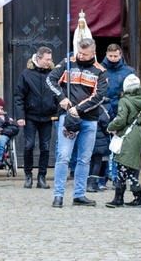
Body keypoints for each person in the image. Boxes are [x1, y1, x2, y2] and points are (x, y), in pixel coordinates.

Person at [47, 37, 108, 208]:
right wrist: (62, 97)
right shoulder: (67, 63)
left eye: (85, 54)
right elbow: (50, 80)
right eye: (79, 52)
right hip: (68, 119)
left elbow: (99, 96)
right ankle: (58, 195)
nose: (80, 56)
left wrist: (78, 108)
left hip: (89, 120)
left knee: (84, 158)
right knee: (63, 156)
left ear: (93, 54)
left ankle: (79, 194)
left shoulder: (100, 71)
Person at [13, 46, 57, 189]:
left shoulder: (53, 74)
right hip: (30, 116)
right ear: (38, 59)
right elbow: (19, 96)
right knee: (28, 145)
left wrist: (57, 112)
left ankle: (42, 177)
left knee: (45, 147)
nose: (49, 62)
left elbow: (59, 93)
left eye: (50, 59)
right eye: (47, 59)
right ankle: (28, 175)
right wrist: (20, 115)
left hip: (48, 117)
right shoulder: (26, 74)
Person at [105, 74, 141, 208]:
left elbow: (121, 119)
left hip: (127, 135)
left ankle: (126, 197)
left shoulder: (124, 100)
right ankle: (126, 197)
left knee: (123, 165)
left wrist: (111, 127)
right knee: (129, 166)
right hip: (138, 134)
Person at [100, 43, 135, 186]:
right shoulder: (100, 69)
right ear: (106, 55)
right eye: (110, 56)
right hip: (103, 110)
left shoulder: (128, 71)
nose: (113, 59)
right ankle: (102, 177)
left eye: (116, 56)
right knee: (103, 146)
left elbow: (131, 92)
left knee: (118, 146)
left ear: (120, 55)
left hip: (121, 111)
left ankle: (116, 176)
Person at [87, 105, 110, 194]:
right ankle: (93, 184)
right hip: (99, 140)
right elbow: (106, 126)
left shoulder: (87, 108)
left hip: (88, 139)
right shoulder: (101, 110)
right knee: (97, 162)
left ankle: (88, 183)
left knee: (90, 162)